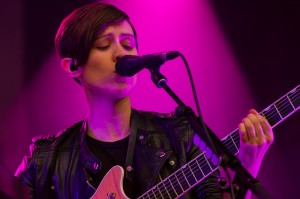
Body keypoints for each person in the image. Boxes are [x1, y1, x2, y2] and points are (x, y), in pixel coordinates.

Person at [15, 3, 274, 199]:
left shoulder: (179, 135)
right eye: (104, 45)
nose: (121, 54)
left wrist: (249, 160)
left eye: (128, 45)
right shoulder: (45, 159)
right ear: (73, 66)